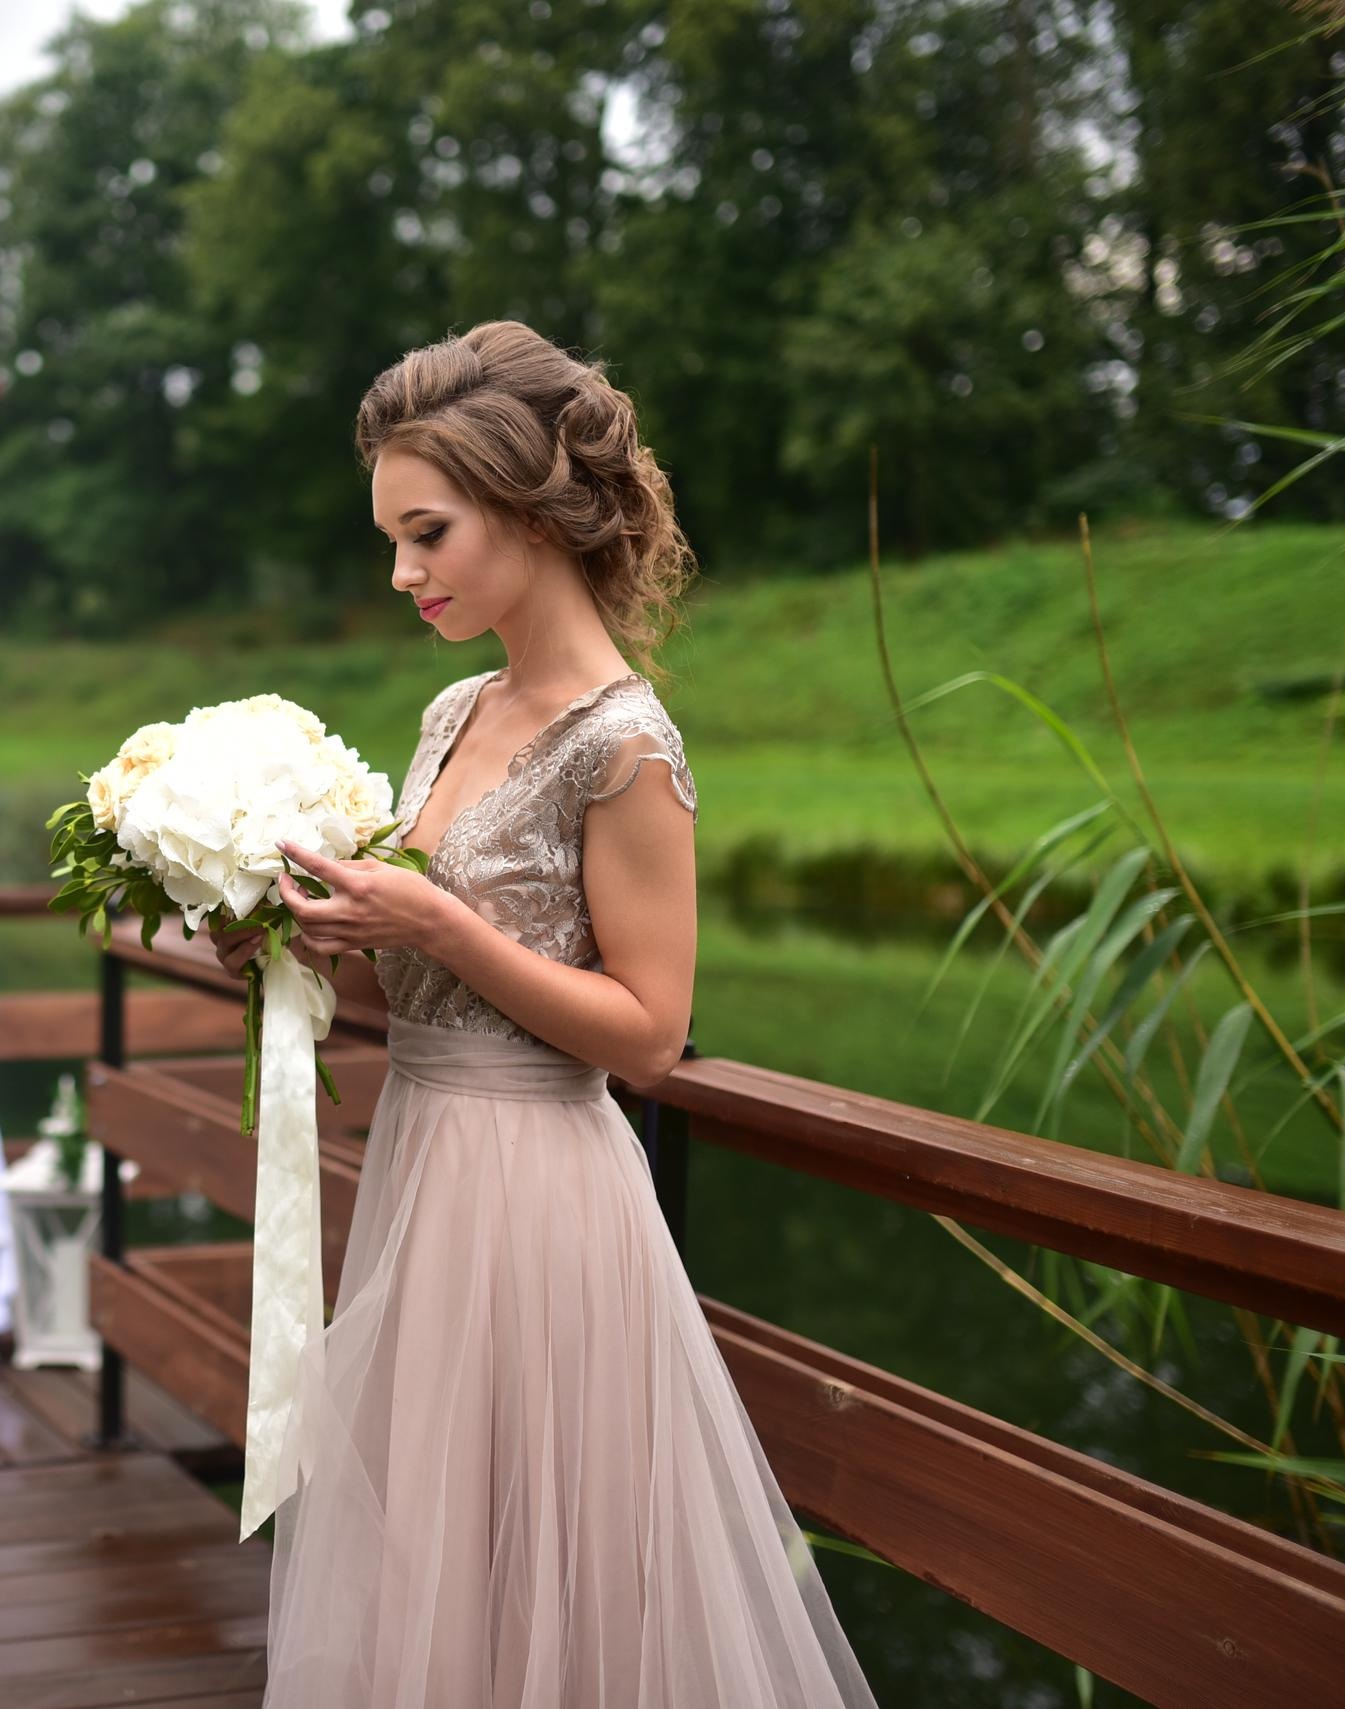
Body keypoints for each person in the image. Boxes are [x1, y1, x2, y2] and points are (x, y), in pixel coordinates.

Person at [215, 322, 877, 1705]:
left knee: (554, 1581)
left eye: (427, 532)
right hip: (422, 1167)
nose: (401, 572)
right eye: (392, 538)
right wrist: (303, 936)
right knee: (437, 1567)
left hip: (545, 1196)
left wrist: (436, 918)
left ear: (530, 509)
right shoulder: (456, 709)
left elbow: (648, 1031)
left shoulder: (626, 744)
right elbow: (426, 961)